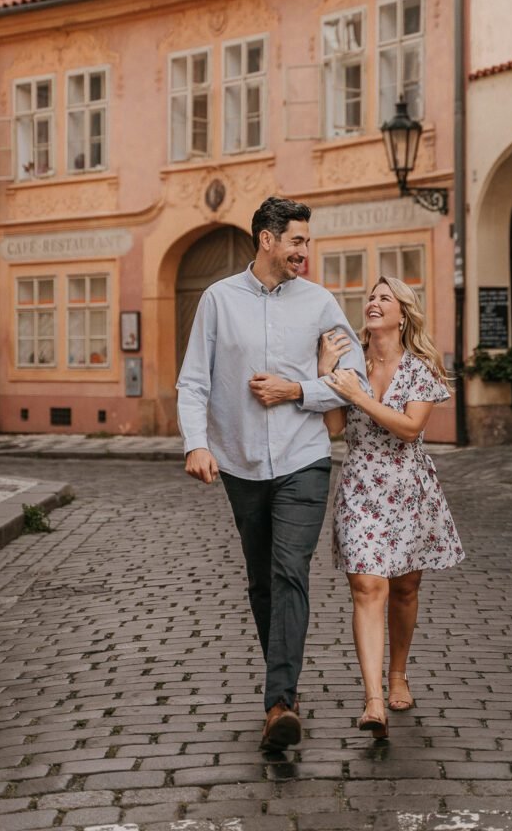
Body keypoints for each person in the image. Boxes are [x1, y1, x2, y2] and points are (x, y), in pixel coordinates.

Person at [176, 196, 367, 751]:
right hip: (239, 463)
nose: (305, 252)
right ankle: (286, 687)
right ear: (267, 239)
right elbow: (194, 382)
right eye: (297, 241)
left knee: (290, 572)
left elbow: (353, 373)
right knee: (262, 582)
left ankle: (280, 701)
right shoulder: (218, 300)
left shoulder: (319, 303)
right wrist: (196, 444)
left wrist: (299, 390)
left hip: (303, 457)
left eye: (307, 242)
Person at [317, 275, 464, 738]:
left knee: (404, 588)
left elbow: (408, 428)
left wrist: (360, 396)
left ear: (404, 314)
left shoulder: (420, 366)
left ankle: (398, 673)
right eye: (372, 297)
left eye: (386, 298)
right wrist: (326, 373)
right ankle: (373, 699)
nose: (374, 303)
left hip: (408, 485)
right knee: (366, 585)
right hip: (361, 482)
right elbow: (334, 425)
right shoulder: (351, 361)